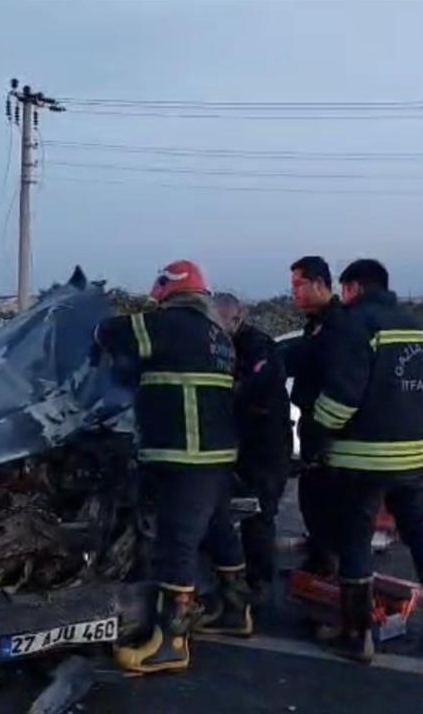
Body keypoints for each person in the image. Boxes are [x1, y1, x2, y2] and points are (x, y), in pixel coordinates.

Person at [95, 260, 249, 675]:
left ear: (167, 292)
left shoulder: (170, 324)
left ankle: (171, 643)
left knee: (175, 545)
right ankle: (236, 611)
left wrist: (91, 325)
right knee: (219, 533)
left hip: (185, 455)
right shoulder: (218, 335)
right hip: (216, 455)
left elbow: (113, 334)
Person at [314, 259, 423, 664]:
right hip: (413, 457)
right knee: (420, 533)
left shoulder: (354, 323)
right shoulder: (415, 328)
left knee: (356, 539)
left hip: (361, 459)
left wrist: (316, 430)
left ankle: (358, 636)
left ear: (354, 287)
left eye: (344, 291)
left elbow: (344, 393)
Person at [213, 292, 292, 604]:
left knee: (259, 513)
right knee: (232, 510)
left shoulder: (259, 346)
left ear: (236, 318)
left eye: (221, 322)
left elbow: (256, 386)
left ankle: (259, 583)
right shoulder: (221, 343)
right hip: (239, 442)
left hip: (266, 444)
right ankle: (238, 573)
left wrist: (227, 391)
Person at [283, 256, 345, 577]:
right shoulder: (317, 324)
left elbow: (338, 382)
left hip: (329, 430)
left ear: (319, 284)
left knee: (326, 501)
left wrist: (323, 436)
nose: (293, 292)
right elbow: (299, 358)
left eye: (298, 285)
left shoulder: (338, 325)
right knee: (312, 498)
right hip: (315, 424)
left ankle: (328, 568)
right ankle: (320, 559)